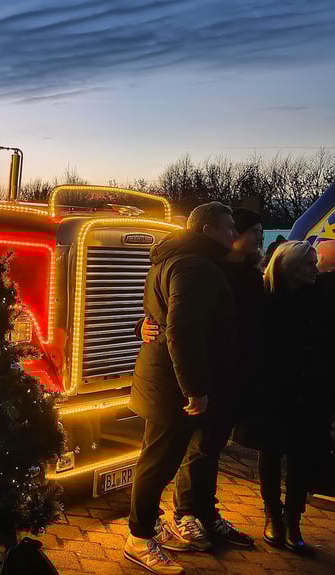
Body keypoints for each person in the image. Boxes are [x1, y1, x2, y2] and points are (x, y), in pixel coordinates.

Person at [123, 202, 237, 575]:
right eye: (228, 227)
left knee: (159, 460)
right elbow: (181, 331)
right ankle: (139, 539)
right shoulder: (194, 265)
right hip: (173, 386)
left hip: (164, 379)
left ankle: (152, 527)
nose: (233, 235)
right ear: (207, 230)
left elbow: (160, 315)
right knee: (157, 464)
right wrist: (195, 389)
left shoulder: (175, 259)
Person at [140, 207, 261, 550]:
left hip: (232, 374)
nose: (254, 237)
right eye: (248, 229)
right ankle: (183, 515)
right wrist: (143, 327)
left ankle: (207, 513)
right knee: (181, 453)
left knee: (210, 450)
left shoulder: (252, 276)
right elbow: (170, 316)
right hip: (204, 375)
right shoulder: (202, 266)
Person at [236, 241, 328, 554]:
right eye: (307, 264)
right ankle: (273, 514)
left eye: (315, 263)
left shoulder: (322, 296)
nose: (314, 270)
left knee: (302, 455)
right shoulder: (264, 298)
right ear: (288, 266)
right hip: (272, 390)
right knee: (272, 452)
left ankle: (293, 519)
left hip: (310, 389)